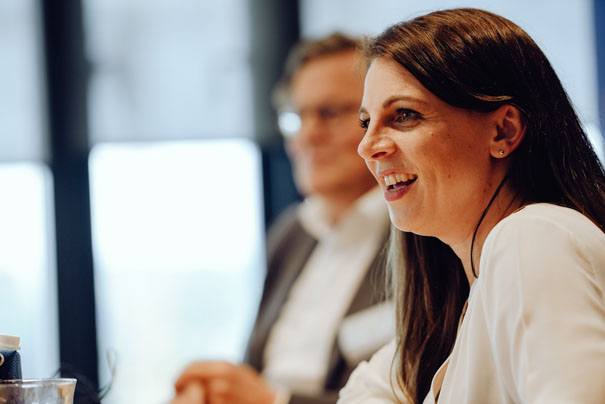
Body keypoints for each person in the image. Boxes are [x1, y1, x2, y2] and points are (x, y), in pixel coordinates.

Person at [338, 8, 605, 404]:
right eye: (366, 123)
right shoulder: (455, 312)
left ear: (503, 131)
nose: (367, 146)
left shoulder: (533, 236)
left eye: (404, 115)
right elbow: (364, 391)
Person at [172, 33, 394, 404]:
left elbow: (414, 394)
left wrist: (273, 402)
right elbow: (255, 371)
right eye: (296, 117)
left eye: (329, 113)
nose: (307, 135)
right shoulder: (291, 233)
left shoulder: (419, 234)